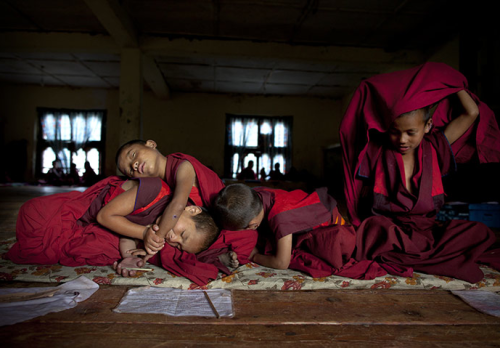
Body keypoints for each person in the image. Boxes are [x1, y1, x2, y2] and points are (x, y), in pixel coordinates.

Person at [339, 62, 500, 283]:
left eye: (410, 132)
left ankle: (419, 257)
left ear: (428, 126)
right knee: (374, 230)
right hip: (390, 231)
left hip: (426, 231)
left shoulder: (436, 147)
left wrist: (453, 83)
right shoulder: (377, 150)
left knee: (480, 232)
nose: (402, 140)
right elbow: (356, 125)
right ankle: (435, 259)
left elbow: (471, 112)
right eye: (395, 132)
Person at [6, 174, 231, 284]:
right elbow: (106, 216)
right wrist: (144, 234)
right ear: (192, 210)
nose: (172, 238)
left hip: (96, 226)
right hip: (87, 210)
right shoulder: (157, 190)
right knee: (34, 213)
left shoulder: (160, 232)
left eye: (178, 244)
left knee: (99, 247)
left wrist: (128, 257)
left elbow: (126, 234)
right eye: (183, 234)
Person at [212, 183, 394, 279]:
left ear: (252, 225)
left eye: (245, 228)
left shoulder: (280, 217)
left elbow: (282, 262)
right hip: (310, 206)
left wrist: (254, 256)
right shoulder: (257, 194)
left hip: (332, 227)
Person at [115, 139, 225, 257]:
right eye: (130, 171)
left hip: (218, 217)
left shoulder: (183, 166)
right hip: (193, 225)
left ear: (151, 144)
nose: (134, 165)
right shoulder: (156, 186)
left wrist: (156, 240)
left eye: (133, 155)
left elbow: (178, 204)